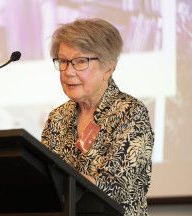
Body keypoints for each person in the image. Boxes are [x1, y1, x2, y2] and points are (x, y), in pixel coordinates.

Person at [41, 18, 154, 216]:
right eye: (64, 61)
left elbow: (116, 186)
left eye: (80, 62)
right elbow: (44, 178)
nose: (68, 72)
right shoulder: (58, 118)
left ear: (108, 67)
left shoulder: (130, 113)